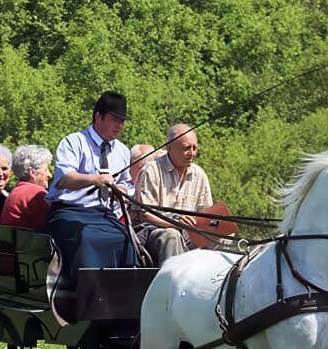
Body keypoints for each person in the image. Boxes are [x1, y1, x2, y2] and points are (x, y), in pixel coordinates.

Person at [46, 90, 137, 291]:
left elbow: (127, 184)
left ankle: (125, 298)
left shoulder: (121, 150)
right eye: (115, 119)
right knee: (86, 238)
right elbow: (64, 179)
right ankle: (87, 297)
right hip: (68, 212)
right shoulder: (73, 142)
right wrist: (96, 179)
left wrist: (121, 189)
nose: (120, 126)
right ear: (98, 116)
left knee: (126, 240)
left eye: (122, 121)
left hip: (103, 214)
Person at [134, 123, 213, 265]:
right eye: (186, 148)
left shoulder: (199, 174)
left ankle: (216, 284)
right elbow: (145, 215)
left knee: (224, 236)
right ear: (169, 147)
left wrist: (215, 225)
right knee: (172, 236)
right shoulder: (151, 170)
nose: (192, 153)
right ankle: (170, 285)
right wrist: (176, 224)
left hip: (190, 233)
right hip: (155, 233)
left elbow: (206, 213)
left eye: (194, 148)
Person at [0, 145, 52, 230]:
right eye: (46, 170)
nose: (49, 175)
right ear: (33, 173)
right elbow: (52, 224)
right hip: (28, 242)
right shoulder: (36, 193)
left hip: (14, 242)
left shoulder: (16, 192)